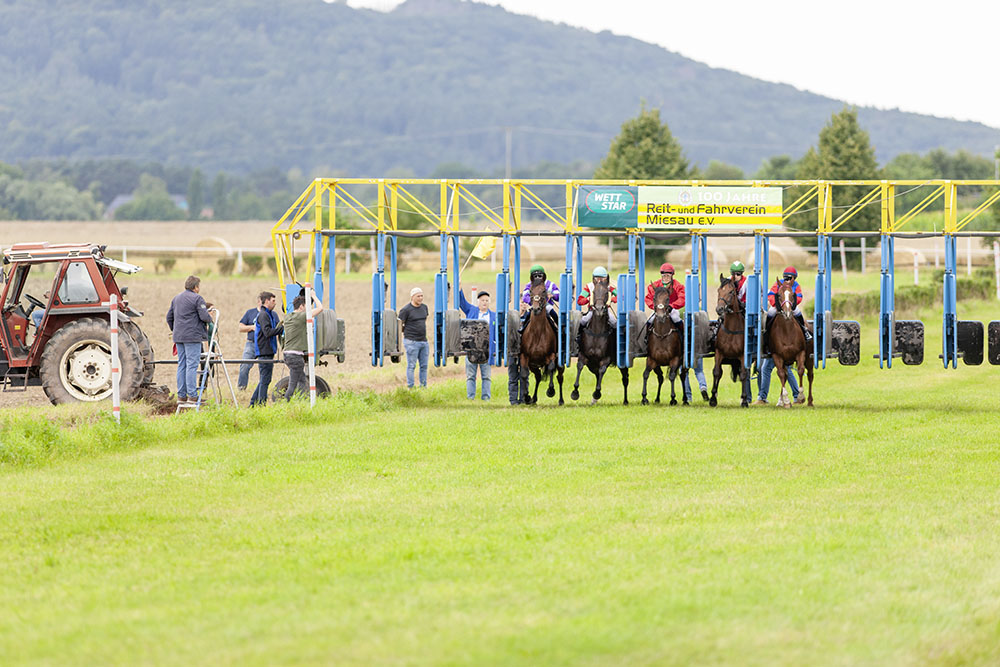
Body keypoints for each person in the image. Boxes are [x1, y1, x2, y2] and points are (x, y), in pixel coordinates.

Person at [166, 275, 212, 405]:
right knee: (192, 365)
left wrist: (175, 330)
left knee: (182, 364)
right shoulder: (197, 298)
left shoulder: (176, 298)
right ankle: (192, 395)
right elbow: (204, 316)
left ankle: (181, 396)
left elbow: (169, 317)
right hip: (192, 337)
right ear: (196, 287)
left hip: (178, 337)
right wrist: (210, 318)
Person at [282, 292, 324, 400]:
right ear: (301, 306)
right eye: (307, 307)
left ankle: (302, 402)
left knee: (302, 380)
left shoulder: (288, 317)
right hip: (295, 356)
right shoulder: (301, 316)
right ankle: (286, 403)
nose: (307, 310)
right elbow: (320, 308)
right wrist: (314, 295)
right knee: (293, 384)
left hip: (287, 354)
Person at [458, 287, 495, 400]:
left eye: (486, 300)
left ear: (489, 302)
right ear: (478, 301)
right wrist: (459, 288)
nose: (484, 302)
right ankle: (470, 398)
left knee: (486, 377)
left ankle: (486, 398)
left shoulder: (493, 316)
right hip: (472, 349)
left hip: (486, 350)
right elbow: (461, 302)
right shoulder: (471, 311)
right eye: (482, 300)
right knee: (470, 376)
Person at [764, 266, 812, 348]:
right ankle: (767, 332)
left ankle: (805, 331)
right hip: (778, 306)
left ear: (794, 278)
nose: (788, 280)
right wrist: (776, 304)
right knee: (770, 313)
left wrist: (793, 304)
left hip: (791, 306)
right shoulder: (778, 284)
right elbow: (771, 294)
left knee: (798, 312)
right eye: (786, 278)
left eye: (790, 278)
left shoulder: (796, 285)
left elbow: (799, 296)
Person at [249, 291, 283, 406]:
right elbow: (267, 332)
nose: (275, 303)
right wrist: (282, 329)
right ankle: (261, 405)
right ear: (267, 301)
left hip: (268, 350)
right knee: (265, 380)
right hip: (264, 351)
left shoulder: (269, 314)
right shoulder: (264, 315)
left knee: (265, 379)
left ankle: (253, 404)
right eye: (273, 301)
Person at [399, 286, 429, 388]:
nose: (420, 298)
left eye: (421, 296)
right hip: (411, 342)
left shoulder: (424, 307)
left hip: (424, 341)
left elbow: (424, 321)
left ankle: (423, 386)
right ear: (412, 297)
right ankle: (410, 387)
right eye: (418, 296)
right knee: (411, 366)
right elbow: (400, 325)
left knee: (424, 366)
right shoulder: (405, 310)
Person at [644, 263, 685, 335]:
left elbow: (682, 298)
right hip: (659, 309)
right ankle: (646, 338)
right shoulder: (655, 285)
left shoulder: (677, 285)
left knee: (675, 318)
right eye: (664, 276)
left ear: (672, 276)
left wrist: (672, 306)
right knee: (650, 320)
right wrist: (654, 306)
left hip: (672, 309)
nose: (666, 278)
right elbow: (648, 298)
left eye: (668, 276)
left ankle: (683, 336)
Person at [519, 264, 559, 332]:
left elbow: (558, 293)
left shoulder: (550, 284)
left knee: (552, 311)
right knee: (529, 314)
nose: (537, 277)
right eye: (535, 276)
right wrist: (531, 301)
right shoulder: (529, 285)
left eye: (539, 275)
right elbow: (525, 296)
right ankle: (523, 328)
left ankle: (559, 328)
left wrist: (553, 295)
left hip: (546, 305)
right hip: (535, 305)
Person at [237, 297, 261, 391]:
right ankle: (241, 388)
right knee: (244, 366)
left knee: (264, 368)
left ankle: (261, 389)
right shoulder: (250, 313)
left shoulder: (271, 314)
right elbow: (240, 327)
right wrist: (252, 327)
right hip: (251, 344)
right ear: (259, 301)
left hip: (264, 345)